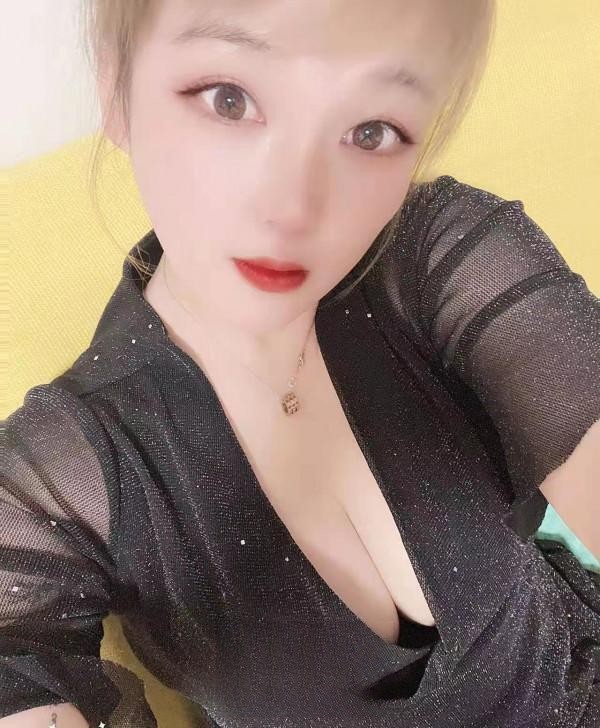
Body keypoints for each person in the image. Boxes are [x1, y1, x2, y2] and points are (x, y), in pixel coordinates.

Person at [1, 1, 599, 726]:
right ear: (116, 87)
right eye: (229, 99)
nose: (293, 207)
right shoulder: (68, 475)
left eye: (372, 131)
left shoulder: (439, 258)